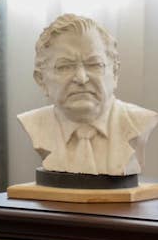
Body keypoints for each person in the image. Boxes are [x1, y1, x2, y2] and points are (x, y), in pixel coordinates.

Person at [19, 13, 157, 176]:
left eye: (94, 64)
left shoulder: (140, 121)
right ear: (41, 80)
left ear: (115, 73)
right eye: (65, 67)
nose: (81, 78)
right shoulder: (34, 124)